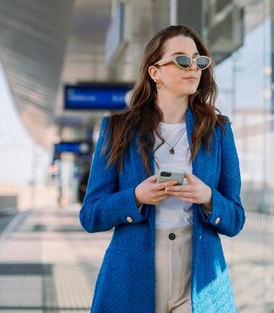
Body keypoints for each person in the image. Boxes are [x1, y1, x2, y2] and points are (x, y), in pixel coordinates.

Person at [79, 25, 245, 313]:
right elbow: (90, 215)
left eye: (199, 61)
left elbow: (236, 219)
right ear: (155, 72)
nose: (193, 67)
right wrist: (136, 197)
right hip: (132, 275)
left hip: (199, 280)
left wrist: (207, 196)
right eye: (181, 60)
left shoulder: (219, 131)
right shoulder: (117, 129)